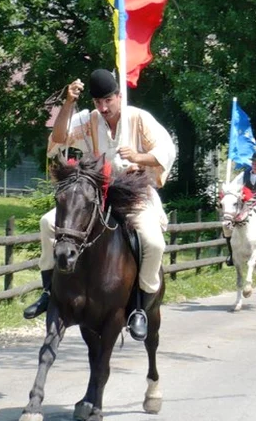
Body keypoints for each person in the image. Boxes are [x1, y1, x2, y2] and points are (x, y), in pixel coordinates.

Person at [23, 68, 176, 341]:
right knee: (48, 223)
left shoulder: (139, 119)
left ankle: (140, 306)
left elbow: (166, 152)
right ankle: (48, 292)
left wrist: (139, 157)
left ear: (119, 96)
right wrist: (68, 102)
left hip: (135, 192)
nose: (103, 107)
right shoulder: (88, 119)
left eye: (108, 100)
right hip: (98, 193)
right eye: (97, 102)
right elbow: (58, 138)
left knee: (153, 243)